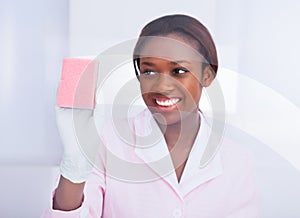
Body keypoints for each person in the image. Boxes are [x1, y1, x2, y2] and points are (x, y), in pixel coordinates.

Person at [42, 14, 259, 217]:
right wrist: (76, 167)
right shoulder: (106, 141)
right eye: (149, 71)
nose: (162, 85)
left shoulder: (237, 160)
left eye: (179, 71)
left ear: (207, 75)